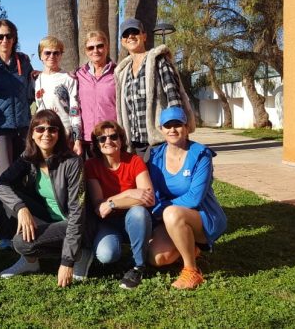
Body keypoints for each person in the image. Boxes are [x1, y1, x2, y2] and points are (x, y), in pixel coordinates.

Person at [0, 110, 89, 288]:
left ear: (59, 134)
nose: (46, 134)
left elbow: (77, 212)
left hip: (75, 223)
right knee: (9, 202)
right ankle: (31, 262)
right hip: (48, 218)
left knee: (20, 242)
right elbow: (2, 184)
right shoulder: (29, 158)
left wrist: (67, 261)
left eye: (52, 129)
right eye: (40, 129)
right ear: (32, 133)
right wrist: (21, 208)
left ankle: (81, 253)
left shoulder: (72, 162)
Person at [147, 107, 227, 290]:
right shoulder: (155, 156)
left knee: (172, 213)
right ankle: (193, 249)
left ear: (187, 127)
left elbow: (194, 198)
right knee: (157, 258)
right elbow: (155, 193)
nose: (172, 130)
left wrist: (162, 210)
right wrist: (161, 210)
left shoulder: (201, 154)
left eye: (178, 125)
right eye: (168, 126)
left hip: (203, 216)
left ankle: (191, 271)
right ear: (161, 129)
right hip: (171, 216)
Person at [0, 19, 35, 249]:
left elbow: (32, 90)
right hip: (0, 128)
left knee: (23, 176)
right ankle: (4, 234)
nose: (5, 40)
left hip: (23, 126)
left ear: (14, 38)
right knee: (4, 177)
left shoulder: (24, 62)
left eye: (8, 36)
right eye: (0, 36)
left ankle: (23, 228)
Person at [84, 120, 154, 289]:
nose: (108, 141)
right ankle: (128, 249)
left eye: (113, 137)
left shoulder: (135, 161)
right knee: (107, 255)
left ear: (121, 140)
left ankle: (138, 266)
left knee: (138, 212)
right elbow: (100, 207)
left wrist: (113, 203)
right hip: (108, 223)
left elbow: (148, 198)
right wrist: (129, 193)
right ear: (97, 144)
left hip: (133, 220)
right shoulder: (91, 165)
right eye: (102, 139)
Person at [114, 18, 195, 159]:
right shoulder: (122, 72)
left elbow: (174, 98)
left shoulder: (159, 61)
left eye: (135, 32)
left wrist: (178, 133)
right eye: (126, 34)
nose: (131, 36)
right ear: (122, 41)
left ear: (144, 36)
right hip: (135, 143)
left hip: (160, 140)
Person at [33, 36, 83, 156]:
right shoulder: (36, 79)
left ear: (61, 55)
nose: (52, 56)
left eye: (56, 53)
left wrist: (77, 140)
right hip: (43, 135)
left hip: (64, 134)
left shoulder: (68, 78)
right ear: (40, 55)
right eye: (47, 53)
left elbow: (74, 110)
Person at [75, 30, 117, 158]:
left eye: (100, 46)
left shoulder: (118, 72)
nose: (95, 50)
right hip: (87, 139)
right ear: (86, 51)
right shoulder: (79, 74)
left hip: (111, 137)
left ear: (107, 47)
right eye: (91, 47)